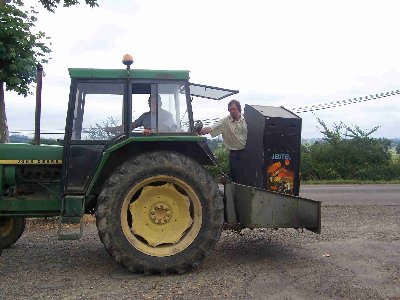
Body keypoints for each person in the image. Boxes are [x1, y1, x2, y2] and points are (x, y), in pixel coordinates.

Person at [199, 99, 247, 182]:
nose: (232, 111)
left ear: (239, 109)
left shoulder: (247, 119)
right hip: (234, 154)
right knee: (236, 177)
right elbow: (211, 128)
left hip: (247, 152)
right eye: (230, 110)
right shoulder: (225, 122)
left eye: (234, 109)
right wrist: (197, 131)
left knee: (248, 176)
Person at [107, 95, 175, 136]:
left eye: (155, 102)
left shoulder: (167, 115)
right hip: (148, 140)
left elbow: (165, 127)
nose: (153, 104)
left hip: (162, 142)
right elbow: (132, 125)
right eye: (151, 102)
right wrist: (113, 129)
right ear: (149, 104)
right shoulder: (145, 116)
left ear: (160, 103)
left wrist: (152, 131)